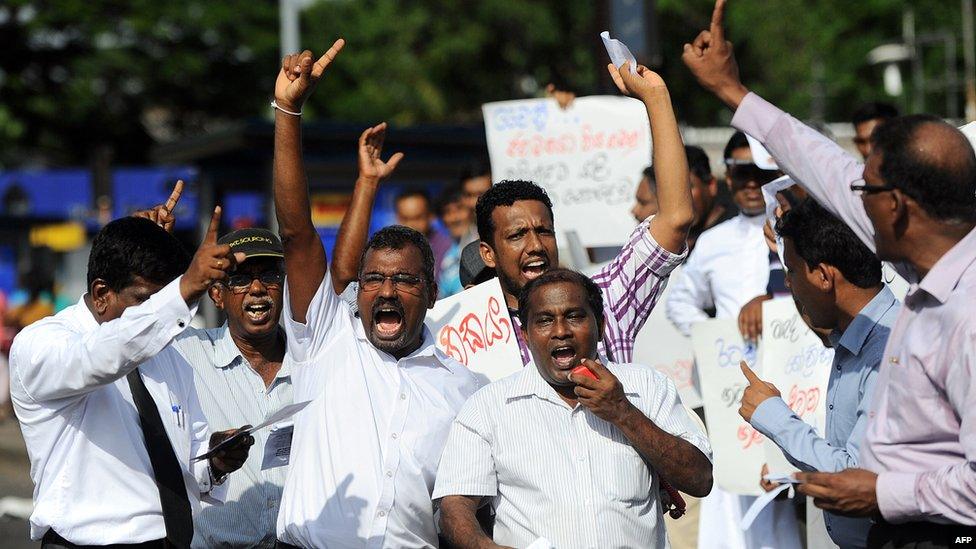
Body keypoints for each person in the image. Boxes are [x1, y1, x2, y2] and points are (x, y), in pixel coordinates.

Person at [684, 0, 976, 543]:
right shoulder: (924, 264)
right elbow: (824, 165)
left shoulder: (969, 312)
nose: (853, 199)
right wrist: (732, 92)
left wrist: (881, 494)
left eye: (866, 190)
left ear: (900, 207)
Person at [270, 41, 484, 547]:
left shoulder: (466, 388)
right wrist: (288, 112)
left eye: (405, 281)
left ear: (432, 293)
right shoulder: (324, 339)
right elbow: (298, 234)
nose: (386, 291)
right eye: (374, 281)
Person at [9, 211, 252, 548]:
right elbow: (101, 356)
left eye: (161, 299)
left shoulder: (168, 356)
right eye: (143, 301)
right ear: (101, 293)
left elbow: (188, 465)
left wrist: (216, 462)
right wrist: (181, 293)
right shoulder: (43, 344)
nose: (154, 313)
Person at [434, 268, 713, 548]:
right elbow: (454, 506)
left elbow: (700, 479)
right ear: (526, 335)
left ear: (601, 326)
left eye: (574, 316)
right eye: (544, 321)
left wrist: (623, 412)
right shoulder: (488, 408)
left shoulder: (647, 386)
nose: (560, 331)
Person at [476, 59, 694, 368]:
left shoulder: (602, 299)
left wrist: (656, 97)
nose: (536, 245)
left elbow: (675, 218)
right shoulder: (475, 338)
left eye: (544, 231)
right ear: (488, 253)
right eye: (517, 235)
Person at [737, 199, 899, 548]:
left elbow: (856, 476)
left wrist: (772, 415)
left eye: (791, 273)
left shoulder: (889, 352)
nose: (791, 287)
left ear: (824, 276)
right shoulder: (860, 335)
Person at [172, 228, 293, 549]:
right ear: (216, 294)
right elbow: (130, 332)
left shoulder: (312, 361)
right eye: (240, 279)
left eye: (269, 276)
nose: (257, 288)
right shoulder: (187, 354)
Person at [665, 131, 778, 337]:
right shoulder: (712, 240)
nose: (752, 183)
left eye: (760, 173)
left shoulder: (797, 232)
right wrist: (719, 335)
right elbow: (679, 303)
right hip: (728, 359)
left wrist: (774, 305)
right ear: (728, 177)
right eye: (742, 173)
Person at [394, 187, 453, 278]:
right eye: (405, 219)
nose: (411, 225)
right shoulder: (391, 251)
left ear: (430, 215)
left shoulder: (448, 250)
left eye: (417, 218)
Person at [435, 184, 475, 298]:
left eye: (459, 208)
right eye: (447, 212)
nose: (455, 217)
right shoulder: (443, 255)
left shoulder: (485, 245)